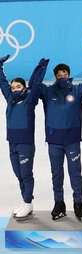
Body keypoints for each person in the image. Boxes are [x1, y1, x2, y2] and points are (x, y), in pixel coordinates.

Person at [35, 56, 82, 221]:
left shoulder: (78, 90)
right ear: (54, 76)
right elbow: (33, 85)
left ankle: (78, 203)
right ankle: (59, 203)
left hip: (72, 141)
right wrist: (41, 68)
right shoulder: (47, 91)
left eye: (65, 74)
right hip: (54, 141)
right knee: (57, 174)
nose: (62, 77)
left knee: (75, 173)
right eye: (59, 75)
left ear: (69, 74)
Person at [0, 55, 47, 221]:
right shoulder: (10, 99)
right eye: (13, 88)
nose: (14, 90)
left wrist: (41, 69)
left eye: (18, 87)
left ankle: (28, 201)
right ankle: (26, 203)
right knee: (19, 175)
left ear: (24, 88)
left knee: (26, 175)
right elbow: (3, 83)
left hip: (25, 144)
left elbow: (36, 85)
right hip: (12, 143)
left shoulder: (30, 100)